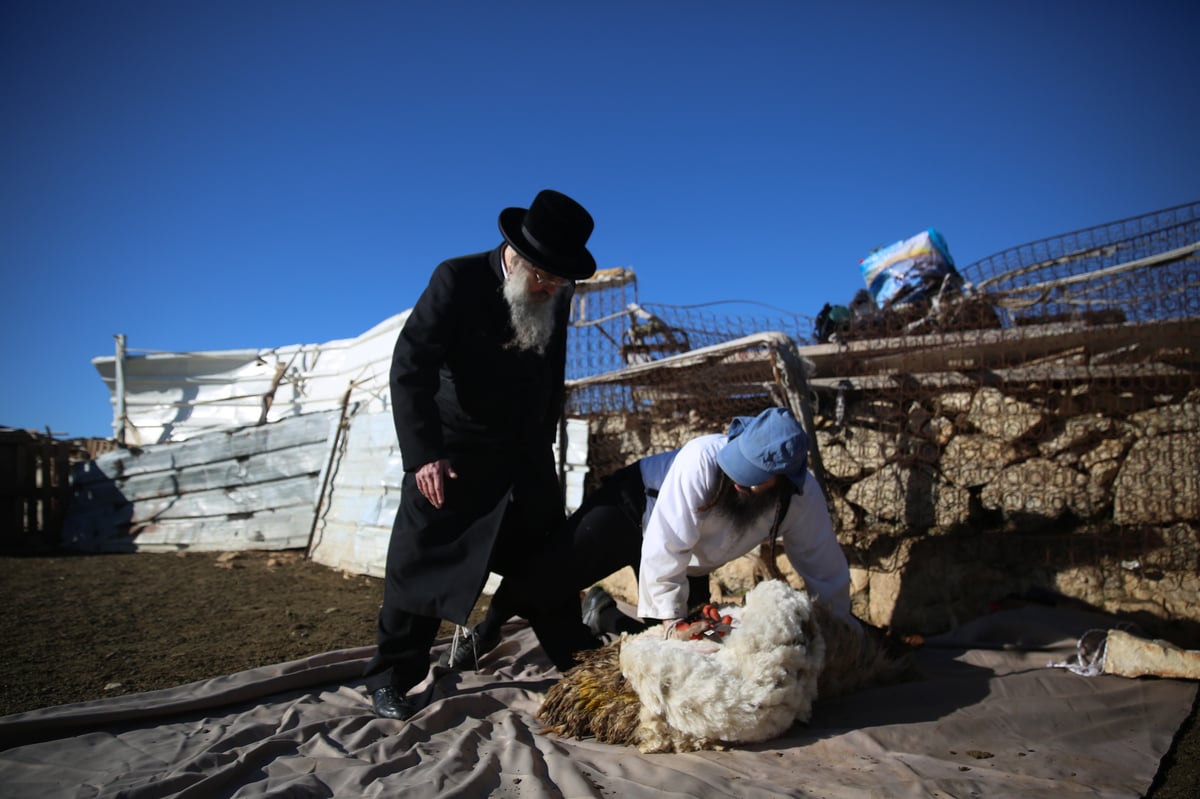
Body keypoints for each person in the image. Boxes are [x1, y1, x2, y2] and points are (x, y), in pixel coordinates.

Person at [363, 189, 597, 720]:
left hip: (523, 460)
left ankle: (578, 664)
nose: (554, 286)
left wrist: (544, 454)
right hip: (451, 457)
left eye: (562, 279)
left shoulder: (554, 294)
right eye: (547, 275)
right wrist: (424, 455)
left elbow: (550, 381)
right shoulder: (457, 279)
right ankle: (391, 677)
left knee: (547, 566)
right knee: (420, 568)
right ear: (518, 256)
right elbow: (411, 367)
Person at [442, 406, 854, 672]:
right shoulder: (702, 459)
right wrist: (669, 624)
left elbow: (823, 564)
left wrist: (840, 631)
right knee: (545, 578)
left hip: (690, 557)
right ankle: (489, 629)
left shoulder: (802, 500)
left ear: (782, 483)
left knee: (701, 650)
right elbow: (666, 543)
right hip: (632, 507)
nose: (738, 482)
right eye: (737, 467)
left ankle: (605, 615)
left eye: (752, 480)